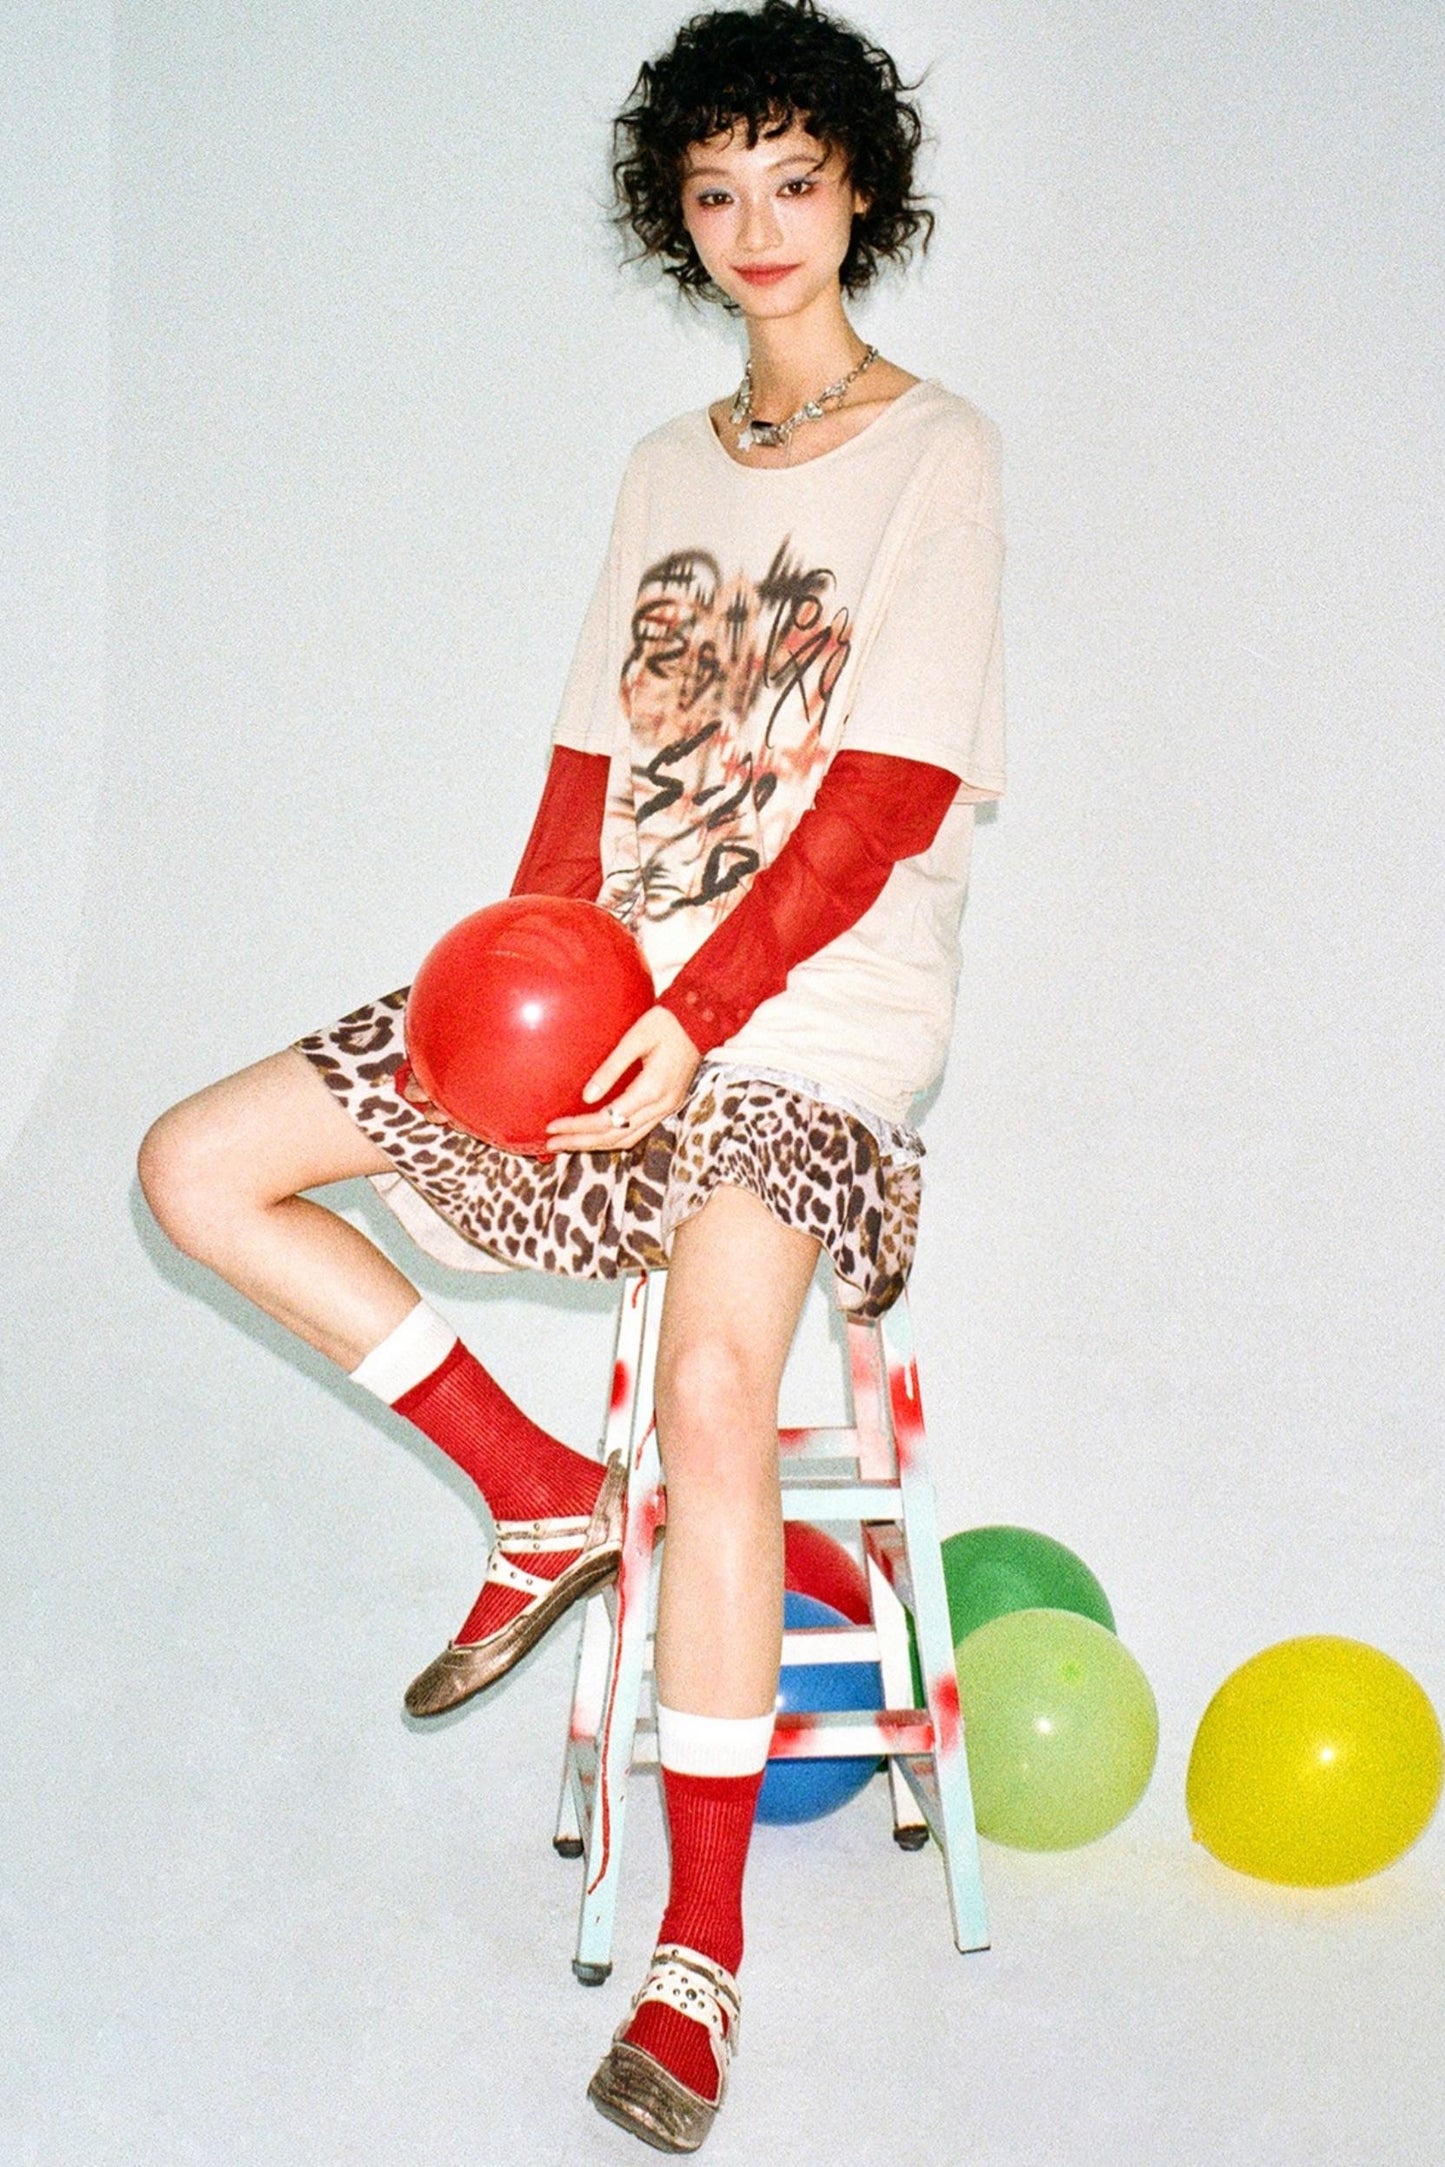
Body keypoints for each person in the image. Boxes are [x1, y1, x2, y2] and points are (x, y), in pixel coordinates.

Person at [137, 0, 1005, 2150]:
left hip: (810, 1017)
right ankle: (536, 1489)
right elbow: (582, 769)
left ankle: (698, 1959)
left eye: (793, 179)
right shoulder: (659, 470)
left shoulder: (941, 452)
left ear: (862, 192)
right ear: (673, 218)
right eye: (714, 191)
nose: (755, 225)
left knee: (714, 1392)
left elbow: (883, 796)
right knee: (199, 1161)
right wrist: (519, 986)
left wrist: (692, 1018)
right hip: (608, 986)